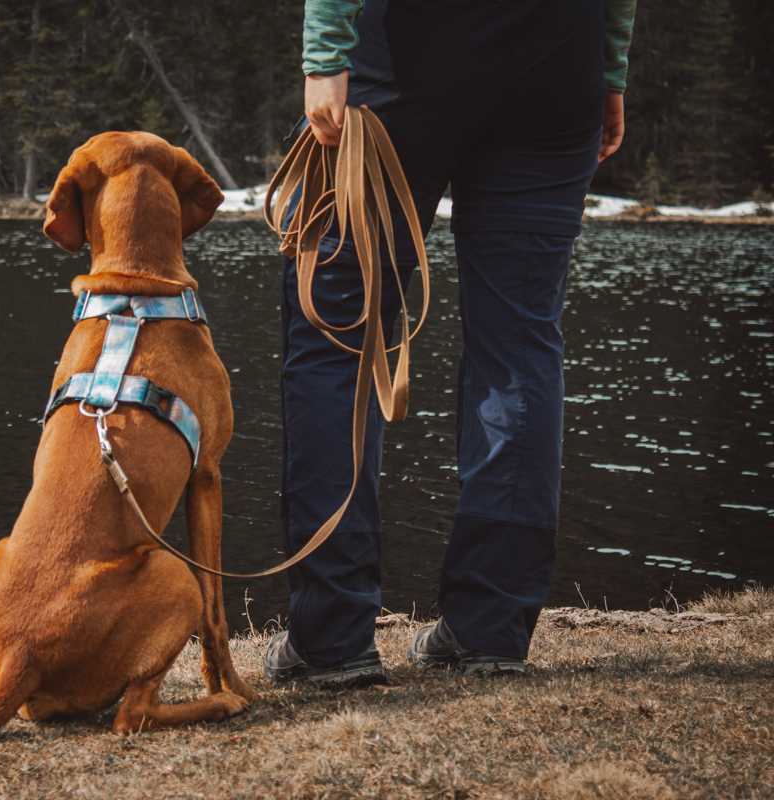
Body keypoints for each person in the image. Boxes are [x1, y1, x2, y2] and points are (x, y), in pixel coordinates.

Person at [265, 0, 636, 686]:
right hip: (560, 59)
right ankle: (488, 628)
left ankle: (334, 636)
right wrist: (608, 68)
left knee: (335, 335)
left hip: (411, 58)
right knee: (521, 344)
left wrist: (324, 58)